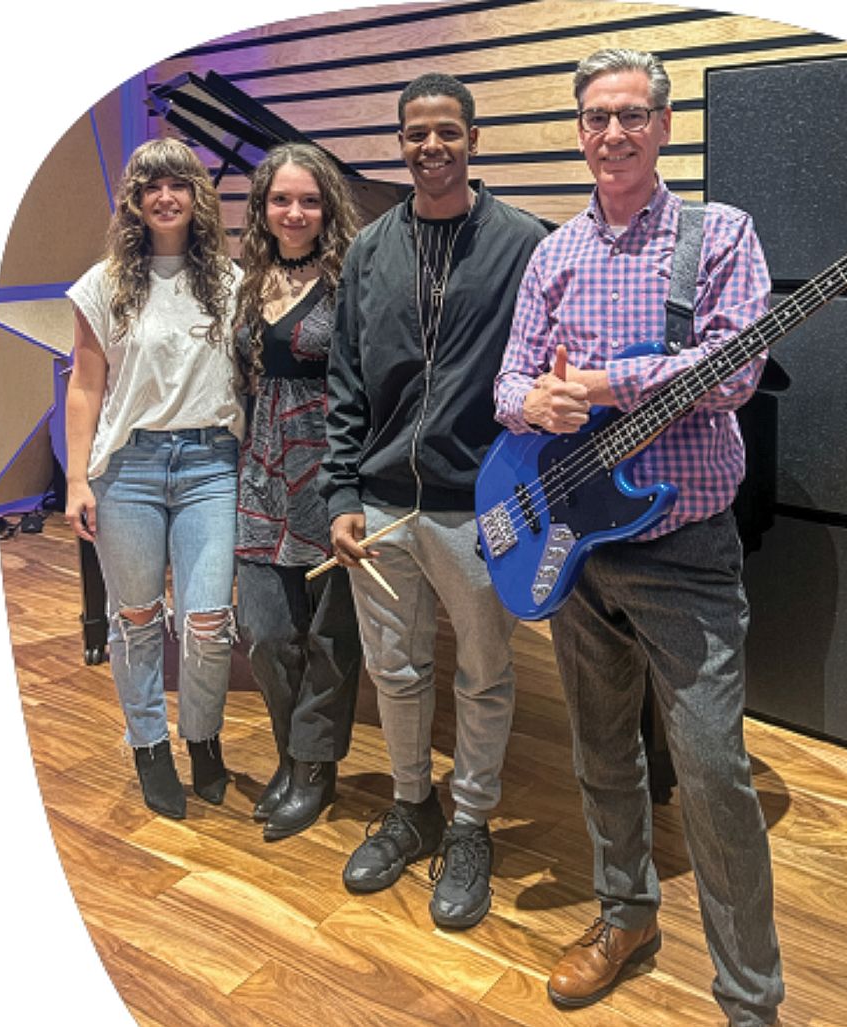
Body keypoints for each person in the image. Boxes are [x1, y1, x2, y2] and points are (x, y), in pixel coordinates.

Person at [495, 49, 784, 1026]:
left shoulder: (719, 234)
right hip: (577, 549)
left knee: (711, 773)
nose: (610, 132)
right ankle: (626, 915)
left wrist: (612, 384)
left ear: (662, 124)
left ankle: (750, 995)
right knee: (599, 749)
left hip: (685, 552)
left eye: (629, 114)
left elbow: (737, 371)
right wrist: (531, 398)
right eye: (593, 117)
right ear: (577, 132)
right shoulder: (551, 254)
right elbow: (507, 386)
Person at [325, 73, 549, 929]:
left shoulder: (525, 242)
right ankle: (412, 804)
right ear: (401, 143)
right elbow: (346, 378)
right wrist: (342, 489)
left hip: (479, 505)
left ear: (473, 139)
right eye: (416, 134)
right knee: (397, 669)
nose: (431, 148)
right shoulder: (370, 249)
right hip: (381, 502)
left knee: (486, 673)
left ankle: (471, 823)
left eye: (447, 132)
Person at [65, 138, 243, 820]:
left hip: (208, 465)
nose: (165, 197)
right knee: (136, 619)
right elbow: (85, 386)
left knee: (207, 620)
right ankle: (148, 744)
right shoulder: (103, 283)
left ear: (198, 195)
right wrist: (78, 478)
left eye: (178, 184)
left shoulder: (227, 281)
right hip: (130, 469)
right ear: (135, 201)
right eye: (151, 186)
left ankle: (201, 736)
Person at [233, 143, 362, 841]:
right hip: (260, 470)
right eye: (281, 199)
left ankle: (313, 767)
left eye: (308, 199)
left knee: (329, 635)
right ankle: (291, 751)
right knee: (265, 632)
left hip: (329, 470)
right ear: (263, 208)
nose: (295, 212)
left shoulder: (349, 279)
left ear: (327, 207)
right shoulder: (246, 281)